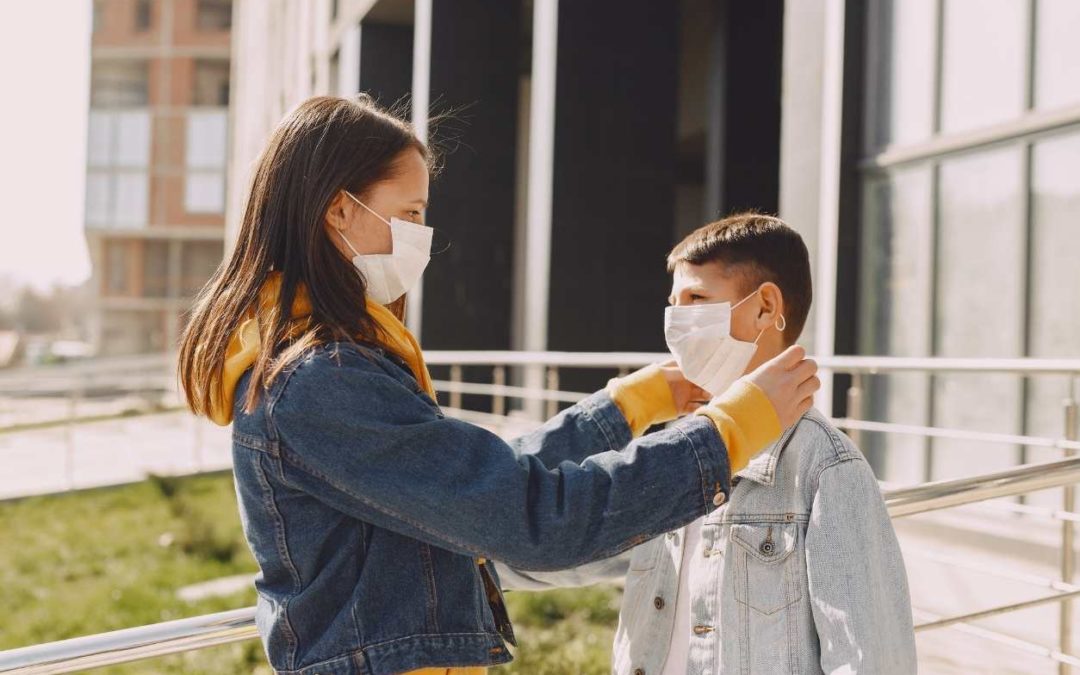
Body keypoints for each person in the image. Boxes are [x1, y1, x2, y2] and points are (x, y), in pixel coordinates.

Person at [176, 96, 819, 675]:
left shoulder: (328, 368)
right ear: (340, 209)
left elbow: (481, 484)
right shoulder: (320, 383)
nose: (422, 236)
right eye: (411, 211)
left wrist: (633, 404)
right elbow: (532, 517)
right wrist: (727, 432)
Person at [501, 213, 916, 674]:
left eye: (696, 298)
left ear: (765, 308)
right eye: (672, 303)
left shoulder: (825, 468)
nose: (677, 321)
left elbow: (871, 662)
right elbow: (544, 549)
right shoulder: (670, 453)